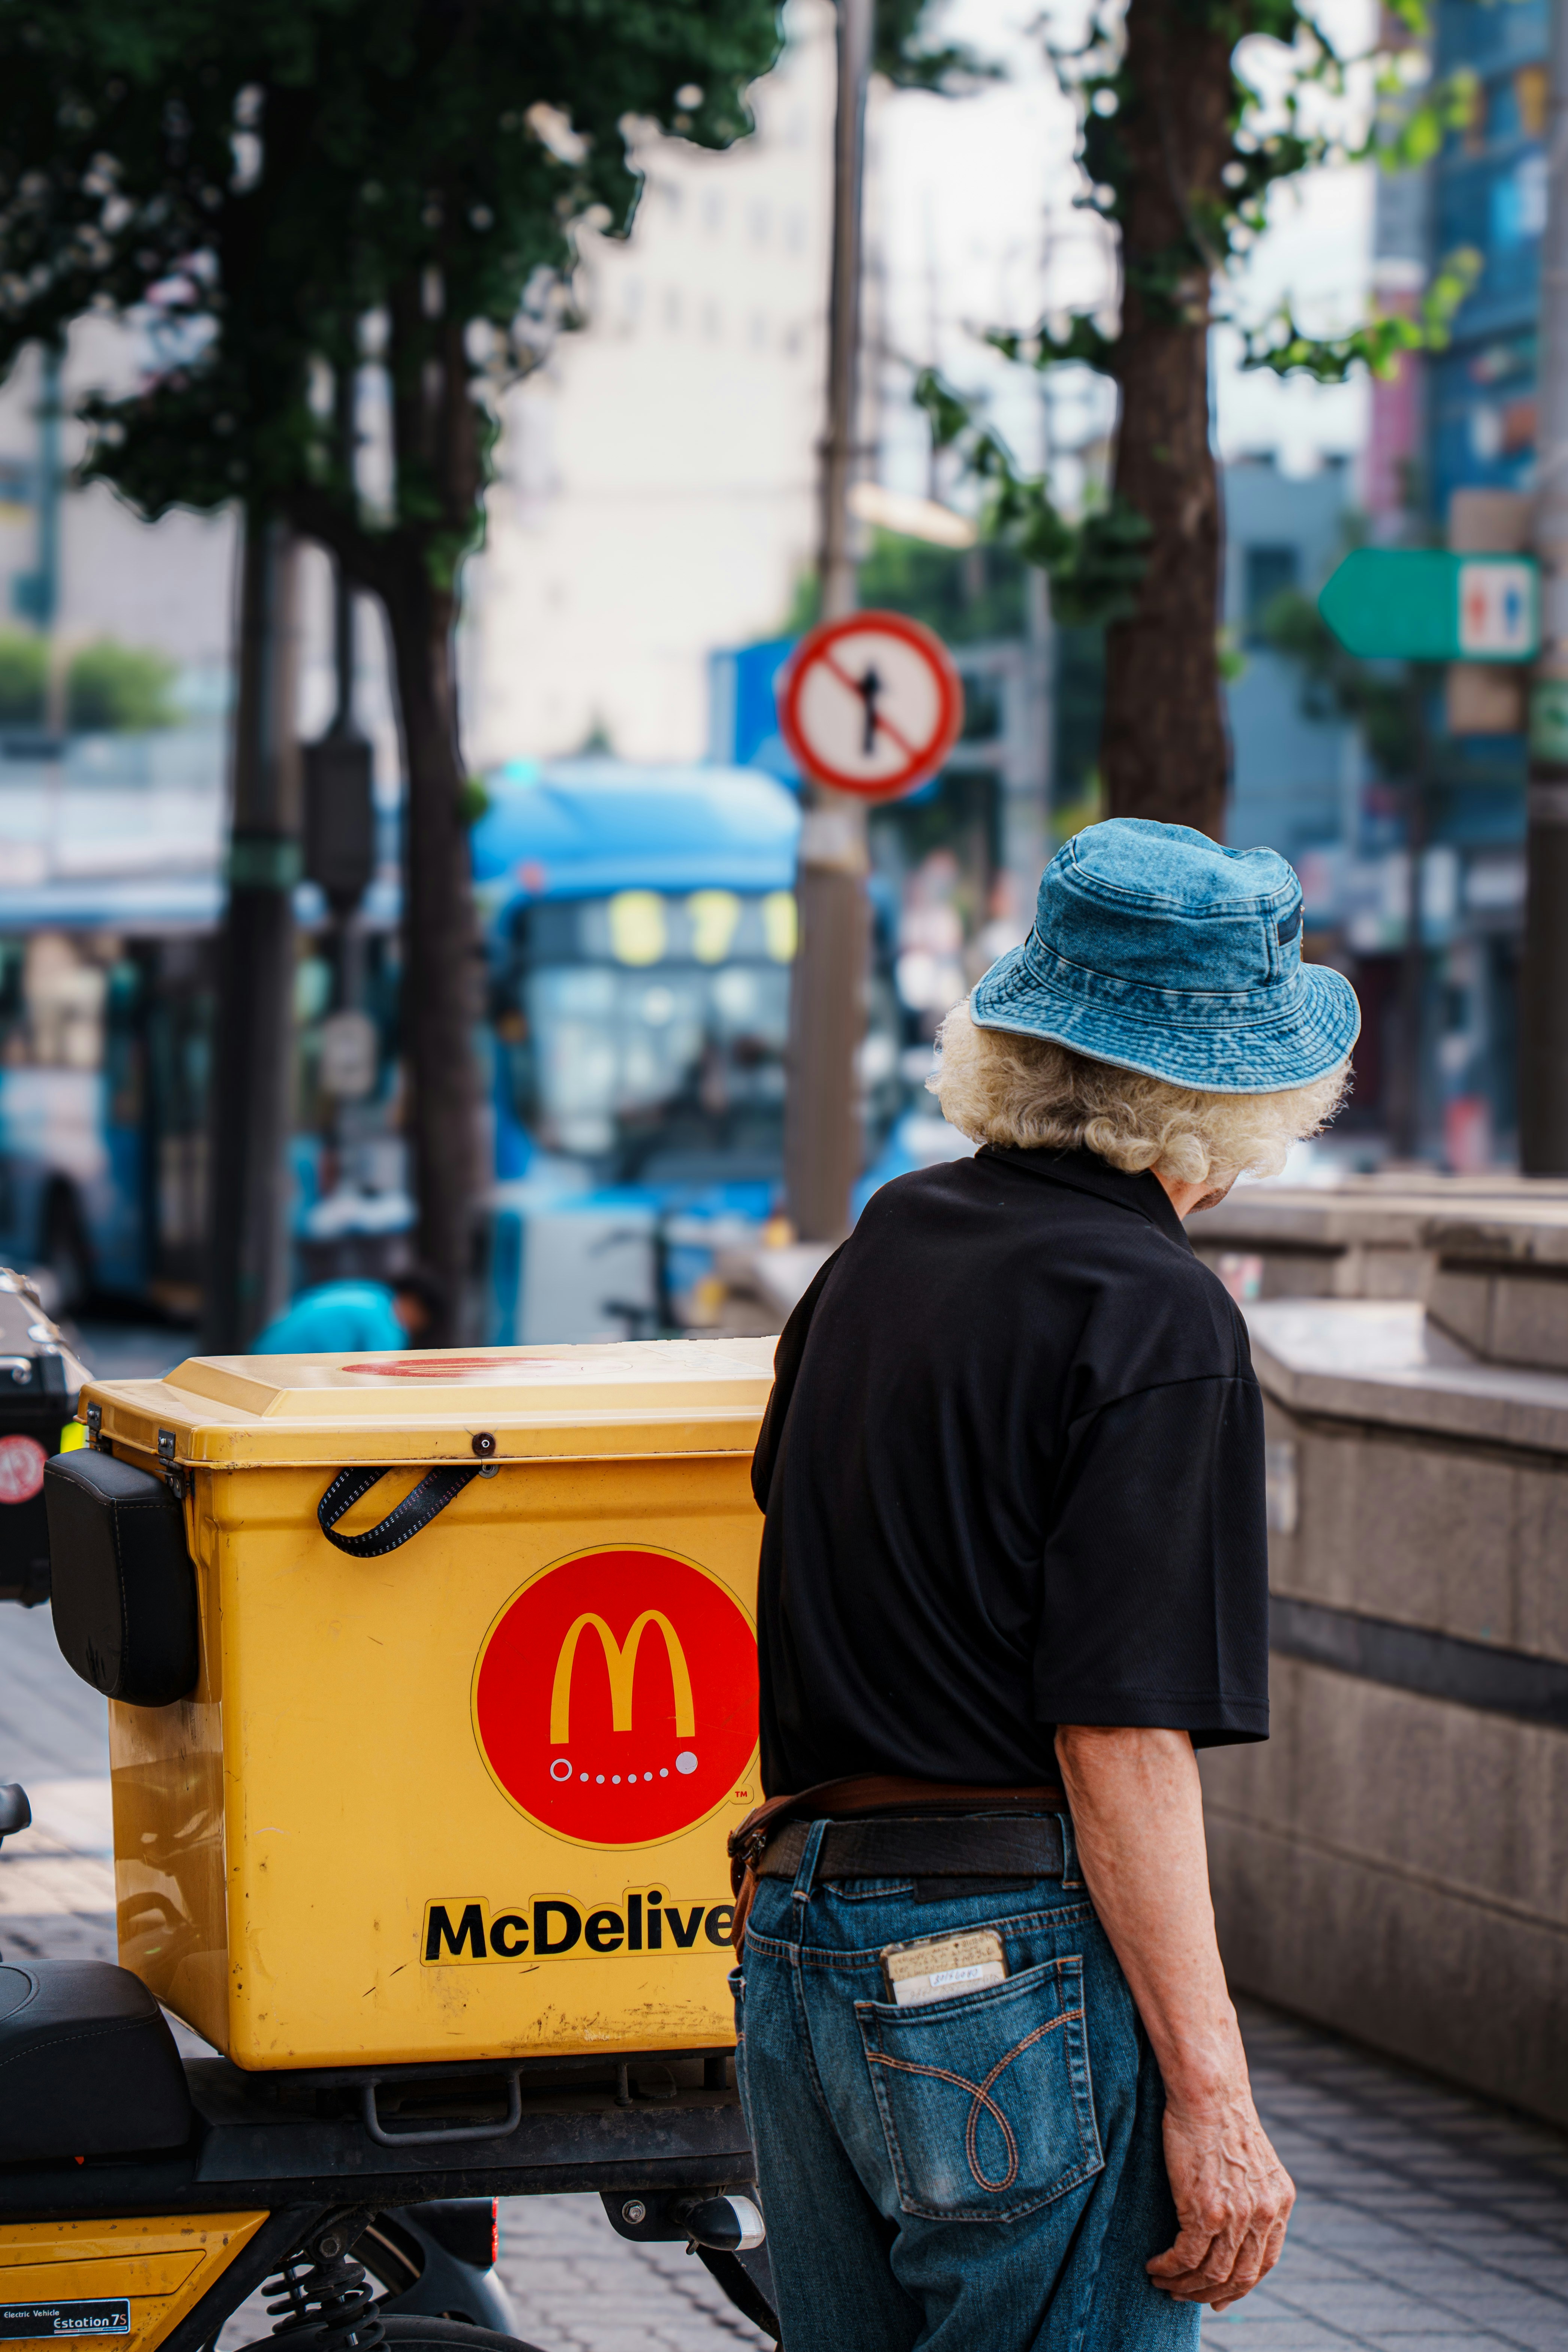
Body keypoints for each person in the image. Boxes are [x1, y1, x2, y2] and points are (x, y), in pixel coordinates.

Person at [734, 819, 1359, 2351]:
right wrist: (1213, 2096)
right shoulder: (1154, 1315)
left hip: (798, 1941)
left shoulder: (883, 1240)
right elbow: (1117, 1736)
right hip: (999, 1968)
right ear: (1224, 1102)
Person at [251, 1266, 447, 1356]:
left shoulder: (370, 1293)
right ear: (414, 1304)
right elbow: (384, 1380)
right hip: (280, 1374)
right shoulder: (386, 1322)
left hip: (260, 1354)